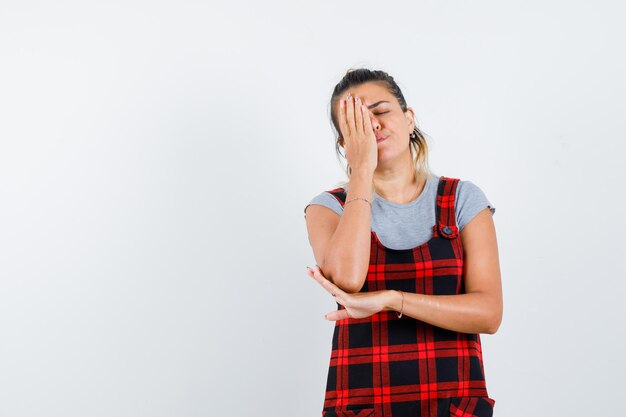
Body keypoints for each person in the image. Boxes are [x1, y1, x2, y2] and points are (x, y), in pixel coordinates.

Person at [303, 68, 503, 417]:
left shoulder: (461, 200)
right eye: (356, 124)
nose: (372, 126)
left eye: (379, 112)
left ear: (409, 119)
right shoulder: (327, 207)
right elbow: (348, 280)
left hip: (453, 406)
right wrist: (362, 169)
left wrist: (391, 300)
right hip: (364, 407)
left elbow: (489, 315)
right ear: (344, 144)